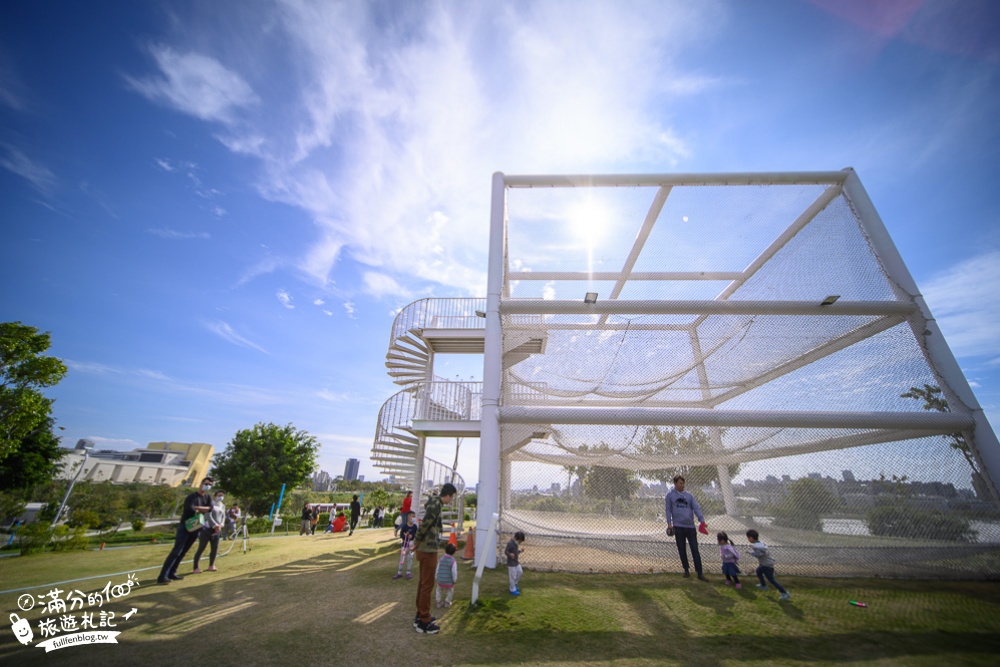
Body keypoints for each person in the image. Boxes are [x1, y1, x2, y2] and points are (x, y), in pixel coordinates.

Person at [411, 483, 456, 634]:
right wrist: (416, 542)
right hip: (427, 549)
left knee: (423, 583)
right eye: (452, 497)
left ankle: (420, 615)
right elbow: (424, 524)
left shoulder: (435, 503)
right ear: (448, 495)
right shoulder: (436, 505)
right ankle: (424, 622)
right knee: (427, 585)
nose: (451, 500)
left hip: (427, 548)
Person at [157, 476, 213, 584]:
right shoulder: (192, 497)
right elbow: (189, 509)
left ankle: (172, 573)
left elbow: (210, 508)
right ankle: (162, 575)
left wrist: (198, 508)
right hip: (186, 526)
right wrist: (202, 509)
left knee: (183, 552)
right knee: (176, 551)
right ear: (201, 484)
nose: (208, 486)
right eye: (206, 483)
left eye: (210, 485)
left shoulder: (208, 497)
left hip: (196, 526)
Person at [665, 475, 707, 580]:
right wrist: (669, 523)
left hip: (690, 527)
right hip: (678, 527)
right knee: (681, 549)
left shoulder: (689, 496)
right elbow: (668, 510)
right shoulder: (670, 496)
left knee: (694, 549)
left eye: (683, 483)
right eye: (680, 483)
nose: (682, 485)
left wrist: (701, 520)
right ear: (675, 484)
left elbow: (696, 508)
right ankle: (686, 570)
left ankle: (700, 572)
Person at [745, 529, 790, 600]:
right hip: (764, 564)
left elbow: (758, 554)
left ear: (751, 538)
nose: (748, 539)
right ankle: (763, 585)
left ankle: (784, 593)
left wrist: (750, 552)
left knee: (771, 580)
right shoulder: (761, 543)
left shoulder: (757, 546)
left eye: (748, 538)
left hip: (767, 565)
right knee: (758, 571)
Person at [193, 490, 226, 573]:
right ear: (215, 496)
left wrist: (221, 525)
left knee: (214, 548)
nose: (220, 497)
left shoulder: (222, 505)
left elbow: (223, 516)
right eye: (219, 495)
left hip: (217, 530)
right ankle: (195, 567)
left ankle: (211, 565)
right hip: (207, 529)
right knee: (201, 548)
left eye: (222, 495)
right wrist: (214, 525)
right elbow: (208, 515)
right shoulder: (210, 504)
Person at [392, 511, 417, 580]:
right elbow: (401, 535)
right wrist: (404, 535)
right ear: (409, 518)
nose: (414, 518)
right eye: (413, 516)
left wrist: (412, 536)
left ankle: (408, 573)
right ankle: (399, 572)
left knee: (410, 558)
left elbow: (416, 535)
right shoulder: (405, 526)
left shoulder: (415, 527)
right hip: (405, 545)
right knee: (402, 558)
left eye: (414, 516)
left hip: (411, 544)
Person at [435, 543, 458, 608]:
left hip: (440, 580)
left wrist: (436, 577)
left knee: (439, 590)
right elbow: (454, 572)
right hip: (449, 581)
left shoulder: (441, 559)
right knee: (450, 591)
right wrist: (454, 579)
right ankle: (447, 602)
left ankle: (438, 602)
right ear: (454, 552)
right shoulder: (453, 561)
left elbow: (438, 569)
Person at [505, 531, 525, 596]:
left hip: (516, 562)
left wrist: (520, 551)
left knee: (520, 572)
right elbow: (506, 551)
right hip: (511, 563)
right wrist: (510, 554)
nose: (520, 543)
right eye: (520, 541)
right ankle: (512, 589)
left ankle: (515, 583)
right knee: (512, 576)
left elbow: (515, 551)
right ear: (516, 538)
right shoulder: (510, 543)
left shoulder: (515, 544)